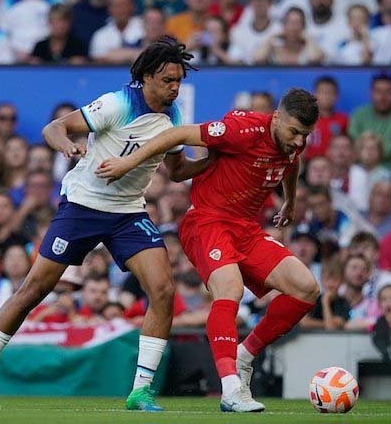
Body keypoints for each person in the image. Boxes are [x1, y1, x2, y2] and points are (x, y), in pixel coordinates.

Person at [0, 37, 211, 411]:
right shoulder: (117, 104)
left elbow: (179, 169)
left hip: (128, 213)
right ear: (149, 76)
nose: (175, 88)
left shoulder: (174, 118)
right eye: (169, 80)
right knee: (33, 290)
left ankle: (140, 391)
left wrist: (215, 160)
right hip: (83, 207)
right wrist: (66, 146)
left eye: (178, 81)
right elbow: (55, 127)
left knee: (163, 290)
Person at [96, 88, 321, 412]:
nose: (299, 141)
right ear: (276, 118)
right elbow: (176, 133)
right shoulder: (241, 131)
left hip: (245, 229)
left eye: (306, 135)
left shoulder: (288, 145)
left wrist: (290, 201)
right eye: (295, 132)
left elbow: (292, 163)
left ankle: (244, 356)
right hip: (207, 222)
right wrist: (125, 163)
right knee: (229, 288)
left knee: (306, 288)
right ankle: (230, 388)